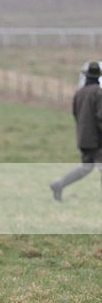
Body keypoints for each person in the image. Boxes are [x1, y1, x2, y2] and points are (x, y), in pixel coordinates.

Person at [50, 61, 102, 201]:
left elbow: (75, 114)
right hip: (97, 140)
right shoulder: (98, 93)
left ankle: (59, 184)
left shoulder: (79, 93)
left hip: (83, 138)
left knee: (86, 168)